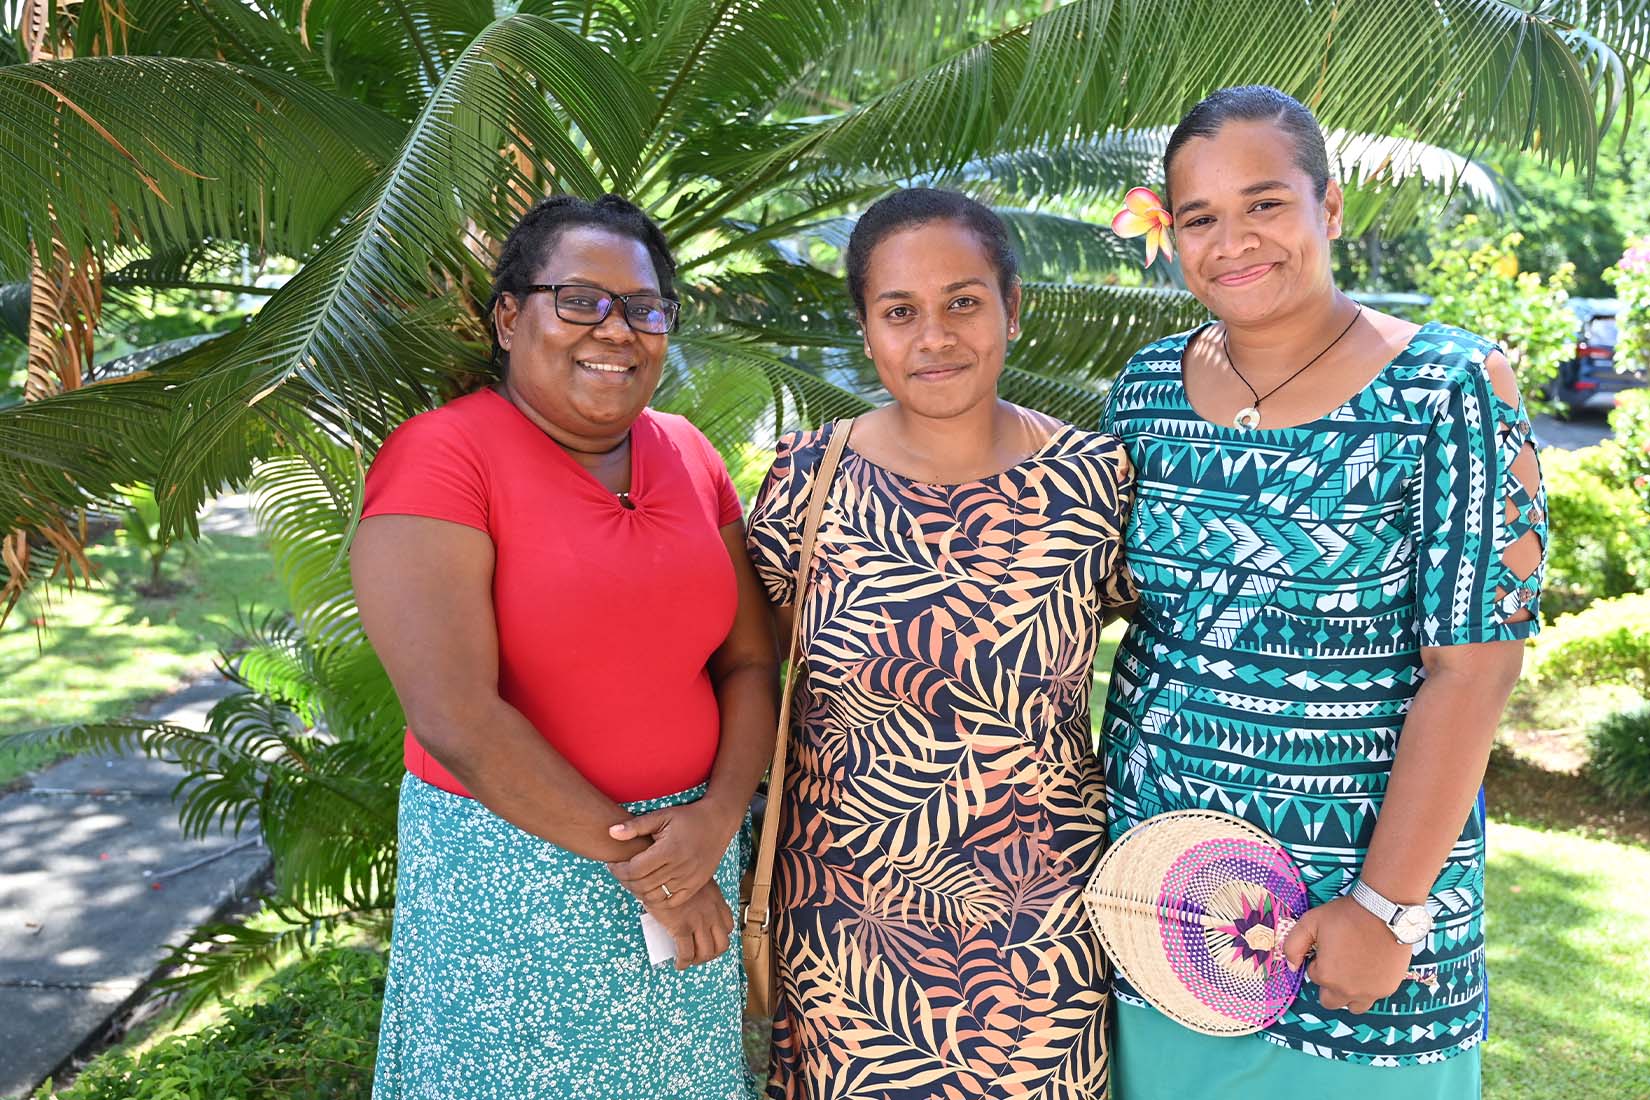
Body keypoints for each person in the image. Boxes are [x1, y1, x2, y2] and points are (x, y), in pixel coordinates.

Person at [1099, 86, 1546, 1099]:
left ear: (1329, 208)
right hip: (1162, 906)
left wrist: (1384, 909)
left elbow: (1474, 670)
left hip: (1359, 933)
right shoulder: (1147, 391)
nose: (1232, 240)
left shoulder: (1451, 387)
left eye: (1265, 203)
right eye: (1200, 217)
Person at [351, 193, 774, 1100]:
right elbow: (456, 716)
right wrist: (654, 870)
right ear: (509, 316)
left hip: (691, 858)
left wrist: (714, 823)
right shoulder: (442, 457)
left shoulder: (690, 454)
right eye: (581, 300)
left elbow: (746, 661)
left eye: (646, 308)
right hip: (515, 879)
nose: (617, 330)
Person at [744, 188, 1137, 1098]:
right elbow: (744, 672)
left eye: (964, 301)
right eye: (900, 311)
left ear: (1012, 306)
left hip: (1043, 938)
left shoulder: (1093, 480)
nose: (935, 336)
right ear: (866, 328)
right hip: (848, 940)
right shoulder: (809, 479)